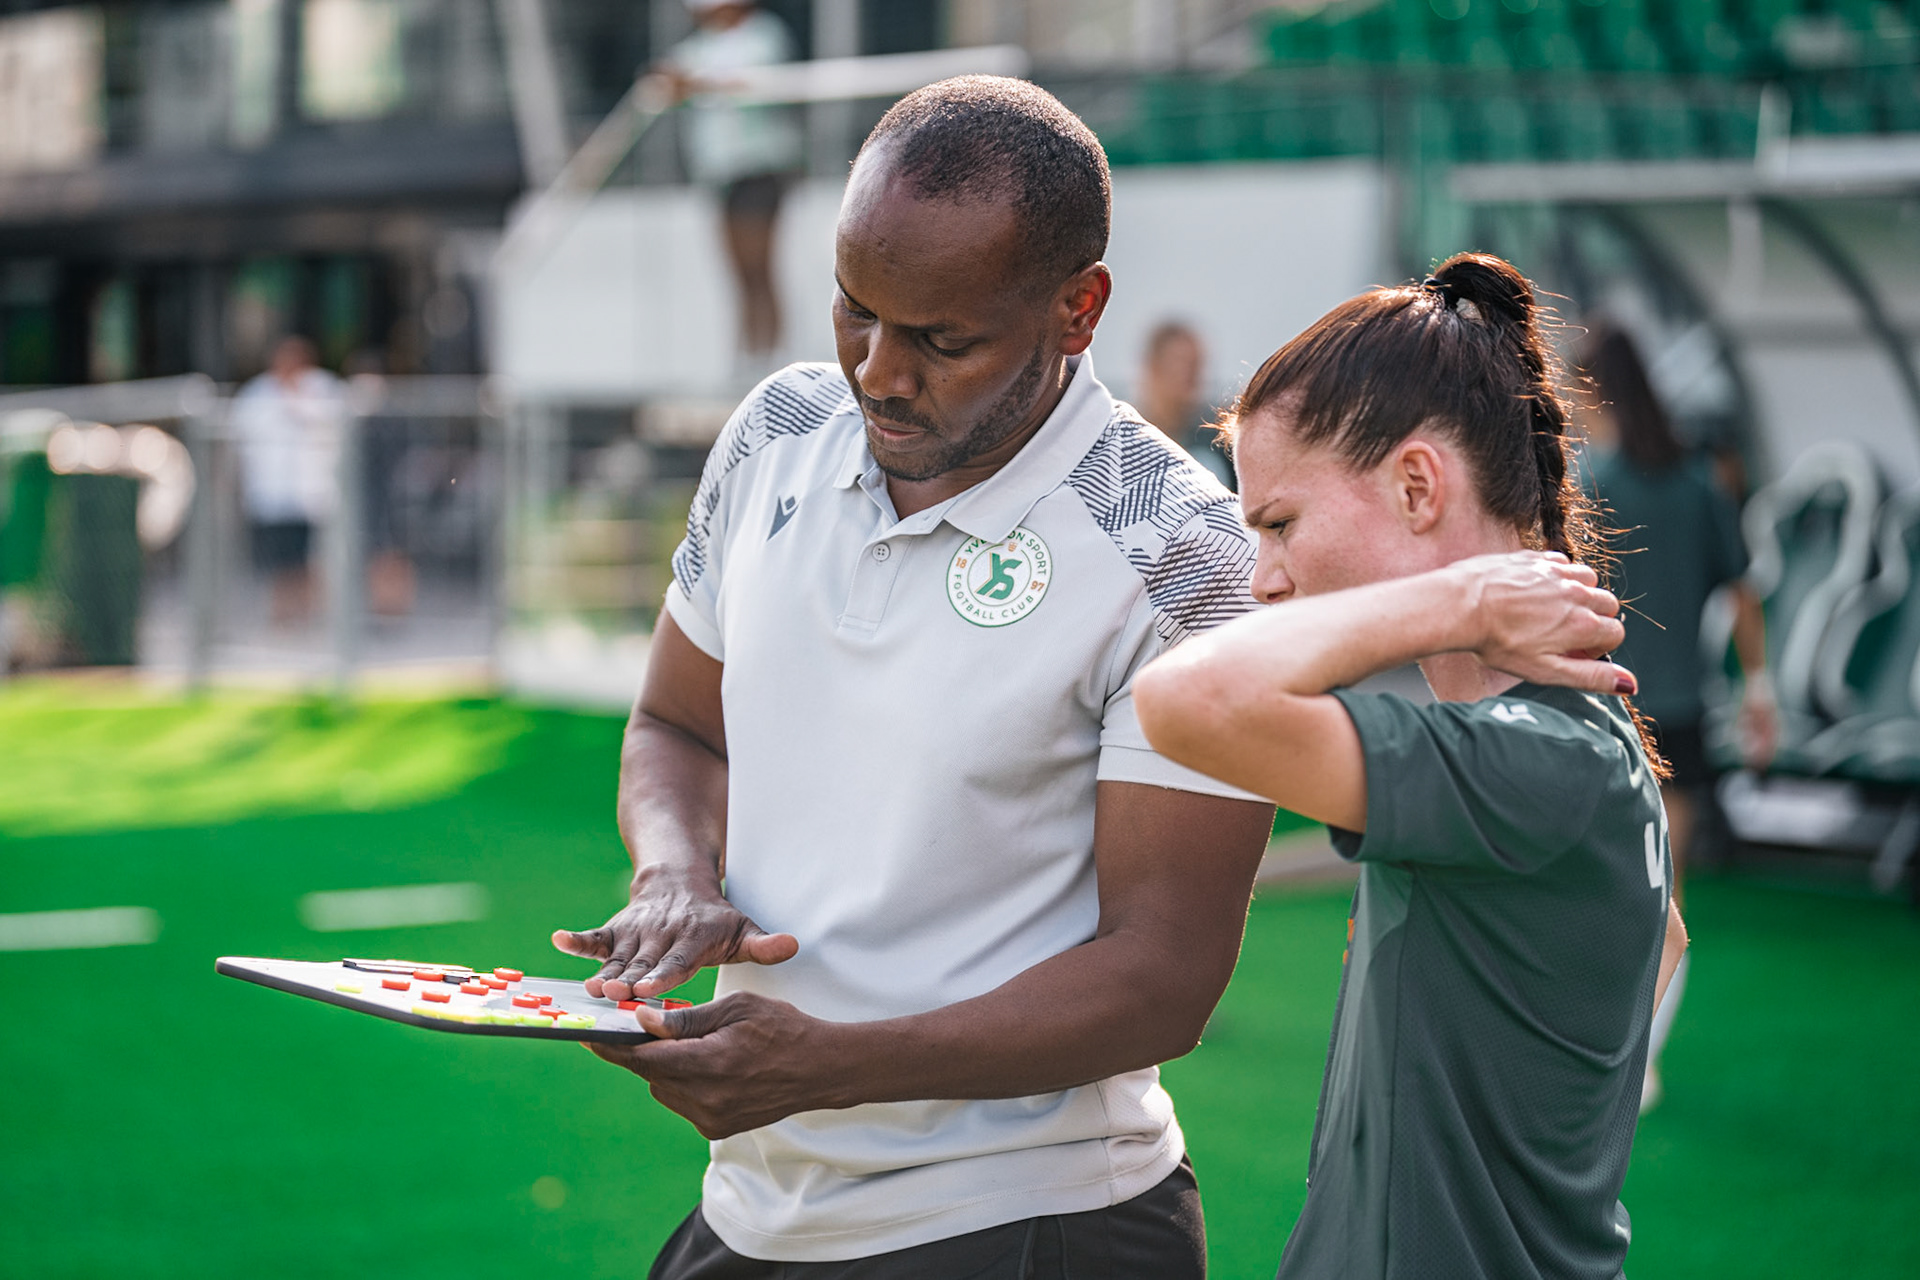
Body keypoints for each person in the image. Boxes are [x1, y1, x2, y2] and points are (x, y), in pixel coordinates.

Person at [551, 76, 1275, 1277]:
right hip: (753, 1209)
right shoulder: (776, 429)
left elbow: (1163, 976)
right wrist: (675, 870)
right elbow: (678, 721)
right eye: (853, 311)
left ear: (1078, 309)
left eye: (941, 339)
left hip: (1031, 1220)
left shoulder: (1184, 555)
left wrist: (829, 1062)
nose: (878, 373)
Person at [1132, 254, 1691, 1280]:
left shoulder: (1538, 755)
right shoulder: (1573, 742)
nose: (1263, 577)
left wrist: (1463, 600)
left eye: (1281, 523)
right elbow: (1667, 935)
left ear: (1418, 483)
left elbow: (1182, 699)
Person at [1578, 321, 1776, 1111]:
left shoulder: (1592, 484)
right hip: (1683, 718)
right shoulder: (1699, 483)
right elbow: (1745, 591)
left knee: (1604, 894)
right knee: (1669, 899)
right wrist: (1760, 690)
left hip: (1605, 714)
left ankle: (1612, 1057)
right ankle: (1643, 1062)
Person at [657, 0, 805, 378]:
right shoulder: (701, 45)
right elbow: (668, 77)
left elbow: (754, 82)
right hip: (721, 174)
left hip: (759, 167)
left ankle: (771, 359)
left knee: (759, 266)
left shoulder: (764, 34)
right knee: (739, 272)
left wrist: (695, 84)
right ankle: (747, 359)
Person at [231, 335, 345, 627]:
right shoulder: (256, 394)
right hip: (270, 496)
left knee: (312, 558)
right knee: (278, 561)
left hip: (314, 495)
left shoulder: (324, 388)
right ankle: (282, 613)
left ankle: (310, 614)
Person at [1136, 320, 1233, 488]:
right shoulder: (1129, 437)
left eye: (1196, 365)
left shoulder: (1218, 438)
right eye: (1180, 364)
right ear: (1154, 367)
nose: (1191, 375)